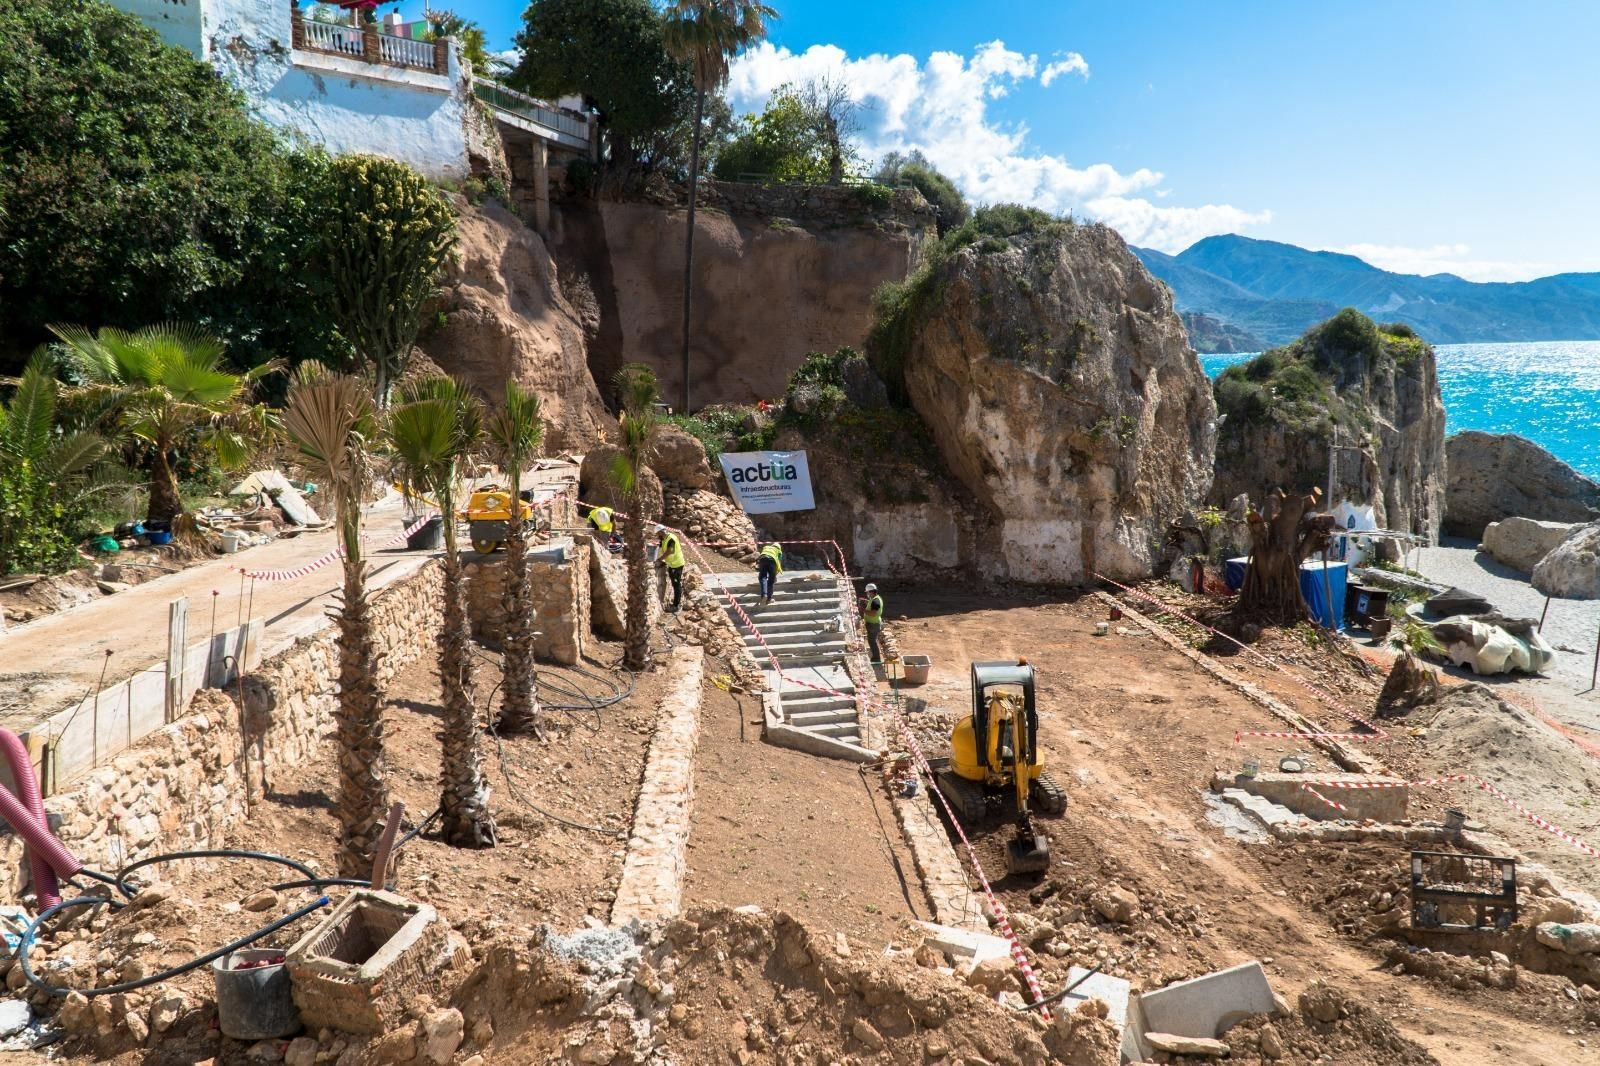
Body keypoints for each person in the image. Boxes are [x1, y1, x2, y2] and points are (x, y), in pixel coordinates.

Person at [656, 525, 686, 613]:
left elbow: (670, 551)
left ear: (661, 532)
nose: (658, 536)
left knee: (676, 585)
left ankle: (676, 605)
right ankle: (676, 602)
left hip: (677, 564)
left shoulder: (671, 538)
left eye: (658, 534)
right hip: (672, 564)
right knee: (674, 583)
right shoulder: (664, 538)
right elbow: (661, 546)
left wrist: (660, 559)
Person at [861, 582, 885, 663]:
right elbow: (872, 605)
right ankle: (875, 655)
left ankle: (876, 658)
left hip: (873, 624)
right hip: (873, 623)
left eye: (867, 592)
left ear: (871, 592)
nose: (867, 594)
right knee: (872, 640)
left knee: (872, 641)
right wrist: (867, 602)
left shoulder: (876, 601)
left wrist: (863, 610)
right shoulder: (874, 598)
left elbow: (873, 613)